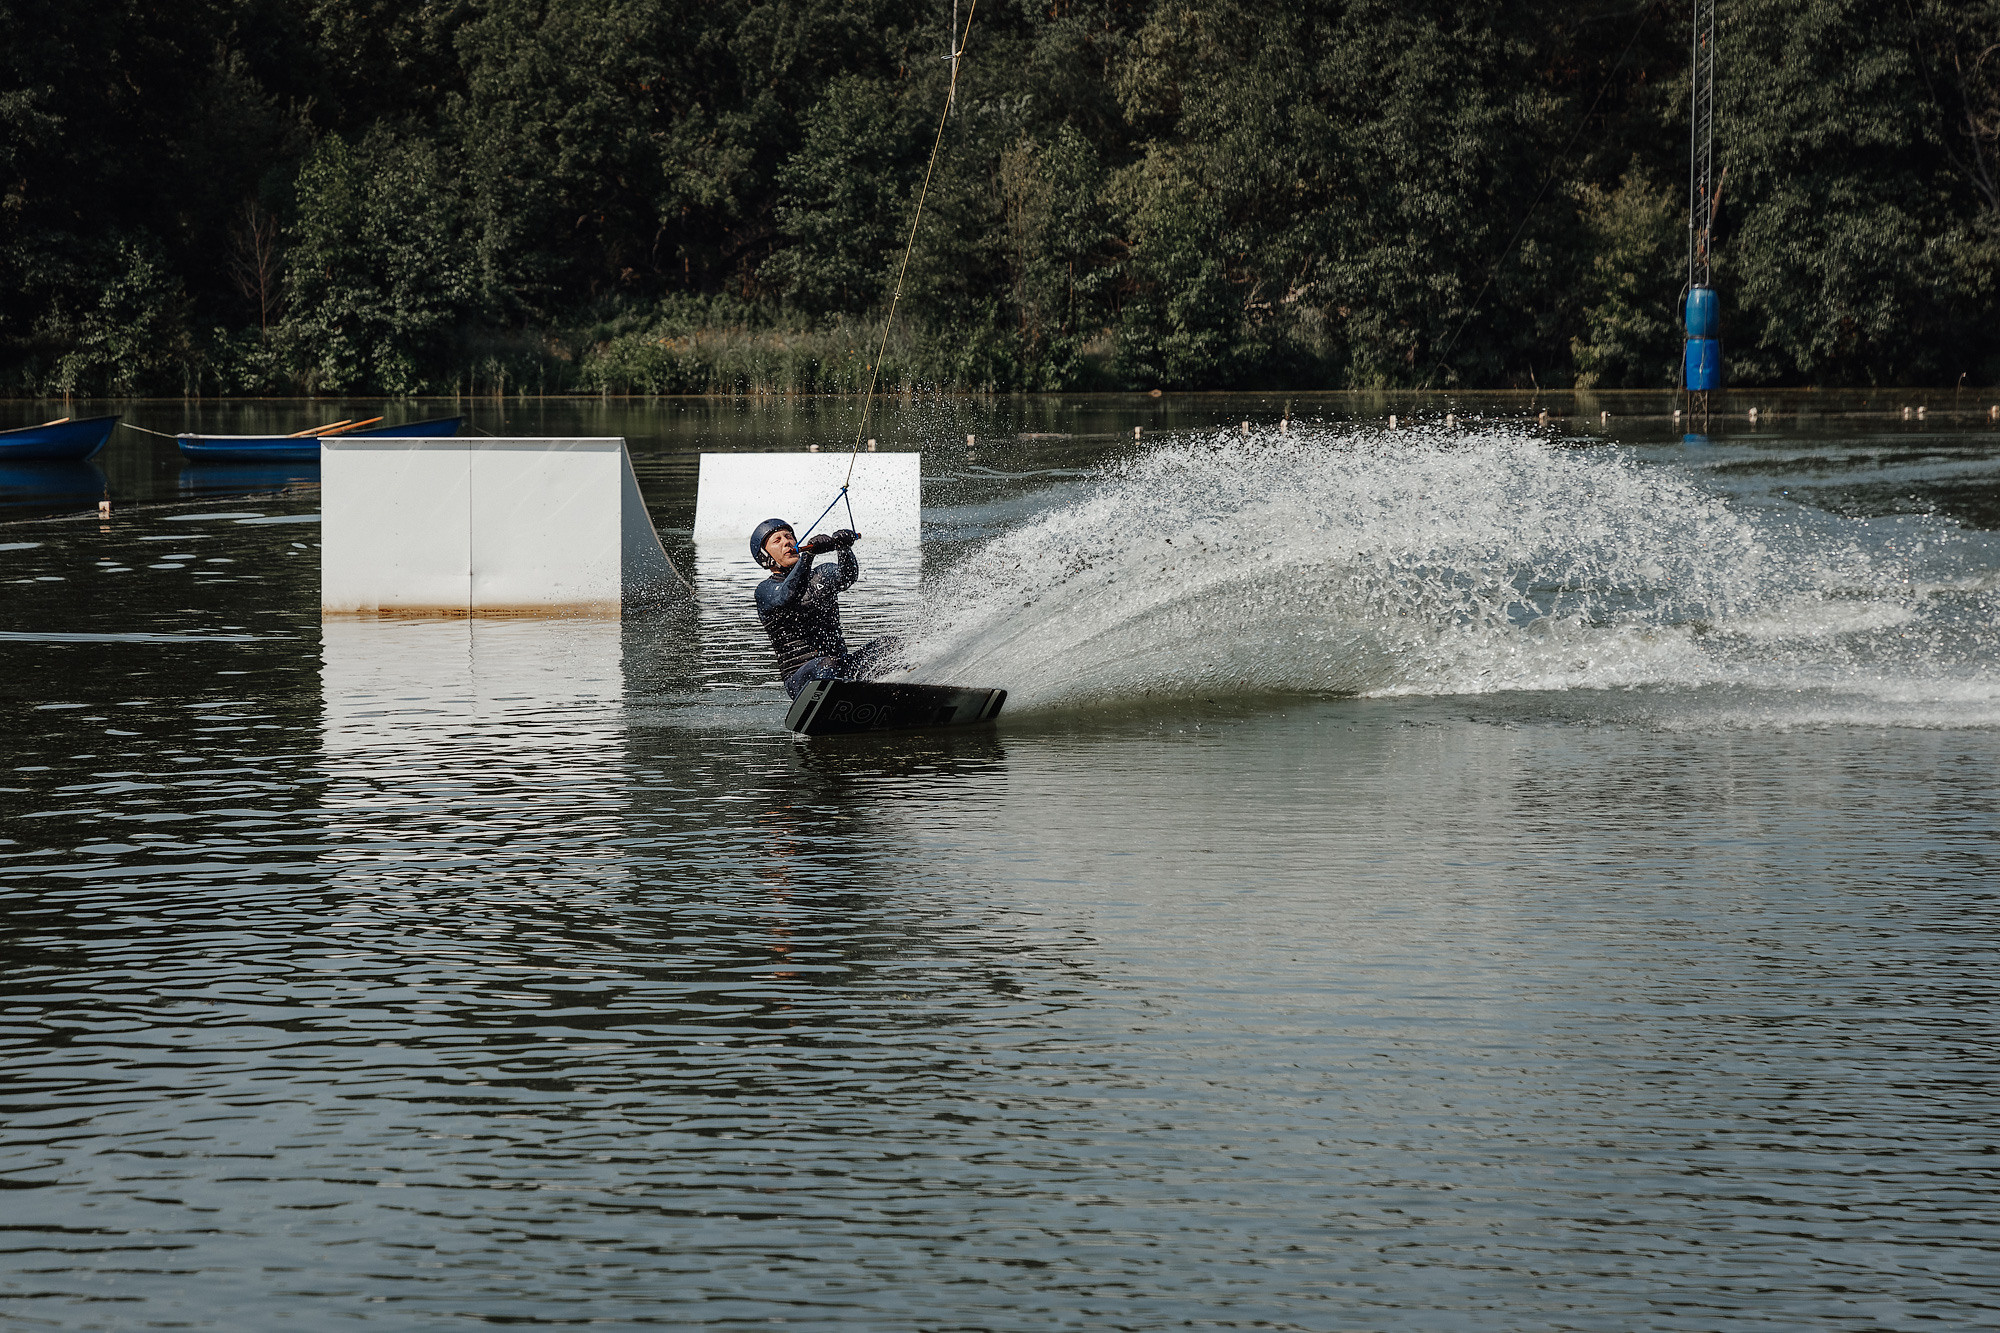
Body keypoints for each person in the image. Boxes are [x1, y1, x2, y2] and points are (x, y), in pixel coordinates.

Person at [749, 518, 901, 698]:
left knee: (891, 645)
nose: (787, 541)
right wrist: (808, 556)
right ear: (765, 556)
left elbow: (847, 577)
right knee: (827, 664)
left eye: (789, 536)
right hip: (802, 679)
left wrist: (843, 549)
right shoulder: (765, 591)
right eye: (777, 540)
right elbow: (787, 596)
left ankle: (901, 694)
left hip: (842, 668)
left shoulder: (821, 575)